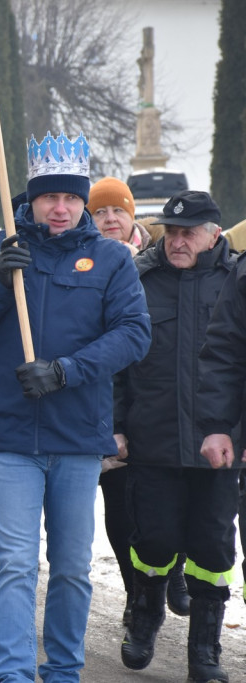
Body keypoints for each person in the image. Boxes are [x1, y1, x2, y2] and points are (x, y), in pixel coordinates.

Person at [0, 132, 151, 683]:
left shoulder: (109, 259)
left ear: (84, 202)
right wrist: (0, 287)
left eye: (71, 198)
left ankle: (62, 670)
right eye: (49, 197)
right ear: (30, 198)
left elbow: (133, 334)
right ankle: (11, 672)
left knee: (74, 568)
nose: (60, 208)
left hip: (78, 436)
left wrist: (64, 371)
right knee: (14, 564)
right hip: (10, 437)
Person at [123, 190, 240, 683]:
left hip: (221, 445)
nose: (176, 241)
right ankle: (145, 618)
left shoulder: (235, 282)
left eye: (188, 232)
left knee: (213, 550)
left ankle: (204, 651)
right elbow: (118, 361)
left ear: (214, 234)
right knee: (155, 540)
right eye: (170, 232)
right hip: (153, 440)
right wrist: (114, 425)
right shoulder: (140, 282)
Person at [88, 176, 190, 626]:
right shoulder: (83, 261)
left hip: (155, 400)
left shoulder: (157, 262)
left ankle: (176, 571)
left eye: (118, 211)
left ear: (132, 216)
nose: (110, 219)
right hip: (106, 398)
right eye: (100, 212)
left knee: (171, 499)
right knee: (120, 508)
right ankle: (136, 593)